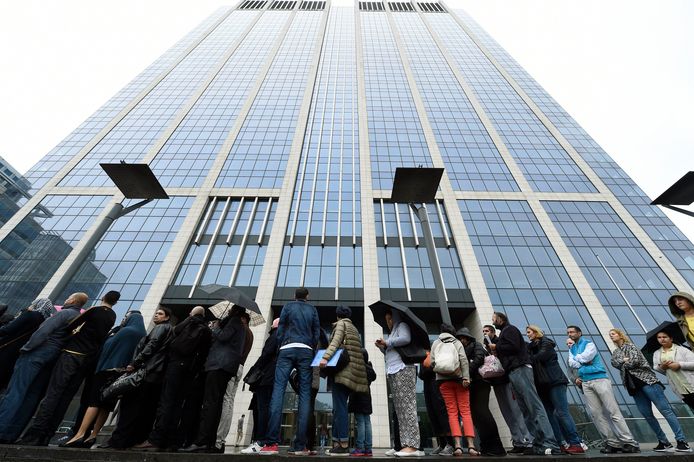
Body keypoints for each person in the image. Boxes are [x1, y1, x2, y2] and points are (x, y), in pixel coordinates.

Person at [20, 291, 118, 446]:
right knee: (66, 397)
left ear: (103, 298)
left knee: (53, 394)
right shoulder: (113, 316)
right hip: (87, 358)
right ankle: (48, 435)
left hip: (71, 354)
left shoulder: (94, 310)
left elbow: (71, 326)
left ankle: (34, 436)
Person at [0, 293, 87, 443]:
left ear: (72, 300)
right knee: (32, 397)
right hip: (53, 357)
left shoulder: (63, 313)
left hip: (38, 352)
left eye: (67, 298)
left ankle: (1, 429)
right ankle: (11, 434)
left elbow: (43, 331)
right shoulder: (79, 319)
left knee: (15, 391)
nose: (65, 300)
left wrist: (27, 348)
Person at [61, 310, 146, 448]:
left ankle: (80, 434)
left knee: (93, 402)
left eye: (126, 316)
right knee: (106, 406)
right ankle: (93, 435)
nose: (124, 318)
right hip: (121, 374)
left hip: (106, 371)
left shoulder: (125, 331)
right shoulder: (142, 334)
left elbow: (107, 348)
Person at [134, 306, 211, 451]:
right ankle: (171, 441)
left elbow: (175, 332)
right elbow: (204, 353)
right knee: (178, 404)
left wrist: (189, 318)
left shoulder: (187, 323)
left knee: (166, 402)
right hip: (189, 370)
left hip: (175, 365)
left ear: (191, 314)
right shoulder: (206, 329)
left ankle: (155, 440)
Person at [257, 288, 319, 455]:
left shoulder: (288, 306)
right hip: (305, 350)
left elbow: (281, 327)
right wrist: (310, 348)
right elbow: (316, 332)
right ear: (308, 296)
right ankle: (300, 445)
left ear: (294, 296)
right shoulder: (312, 309)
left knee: (278, 392)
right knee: (305, 395)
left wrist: (281, 344)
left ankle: (271, 443)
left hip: (286, 349)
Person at [489, 312, 560, 456]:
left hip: (521, 369)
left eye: (494, 319)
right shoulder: (505, 332)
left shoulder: (510, 329)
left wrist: (497, 347)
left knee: (534, 406)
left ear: (500, 319)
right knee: (525, 410)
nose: (492, 321)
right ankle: (538, 443)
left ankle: (550, 443)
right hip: (513, 371)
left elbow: (514, 346)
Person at [609, 328, 690, 452]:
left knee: (665, 410)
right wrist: (624, 361)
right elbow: (614, 363)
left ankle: (681, 441)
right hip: (633, 386)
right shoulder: (616, 352)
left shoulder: (630, 346)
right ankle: (664, 442)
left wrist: (623, 363)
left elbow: (634, 362)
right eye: (610, 335)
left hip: (648, 381)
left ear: (620, 335)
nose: (611, 336)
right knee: (646, 414)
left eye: (613, 334)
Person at [182, 305, 247, 452]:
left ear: (235, 311)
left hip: (219, 365)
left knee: (210, 403)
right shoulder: (239, 324)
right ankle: (209, 441)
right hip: (224, 366)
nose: (228, 311)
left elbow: (223, 337)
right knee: (215, 403)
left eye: (230, 310)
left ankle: (202, 441)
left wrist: (216, 327)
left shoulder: (234, 322)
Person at [106, 307, 173, 449]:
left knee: (130, 407)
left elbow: (152, 345)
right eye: (156, 313)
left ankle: (118, 441)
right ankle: (133, 439)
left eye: (160, 314)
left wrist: (135, 362)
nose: (156, 315)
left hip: (147, 372)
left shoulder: (161, 328)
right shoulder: (169, 330)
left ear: (167, 318)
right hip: (155, 374)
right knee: (145, 410)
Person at [566, 325, 639, 453]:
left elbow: (586, 358)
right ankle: (612, 443)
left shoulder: (589, 344)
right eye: (568, 332)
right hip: (586, 382)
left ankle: (629, 441)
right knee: (596, 414)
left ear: (579, 333)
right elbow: (572, 363)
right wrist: (582, 360)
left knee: (613, 411)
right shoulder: (572, 349)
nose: (570, 334)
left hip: (600, 379)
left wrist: (581, 360)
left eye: (572, 332)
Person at [525, 325, 584, 454]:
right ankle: (560, 443)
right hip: (542, 384)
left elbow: (539, 357)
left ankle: (575, 443)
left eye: (529, 332)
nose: (528, 335)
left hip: (555, 381)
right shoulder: (530, 347)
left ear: (536, 332)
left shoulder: (546, 343)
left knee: (562, 413)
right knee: (549, 415)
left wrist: (527, 357)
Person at [320, 305, 368, 456]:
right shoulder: (354, 328)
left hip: (342, 373)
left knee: (339, 409)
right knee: (338, 408)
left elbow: (335, 342)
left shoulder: (341, 324)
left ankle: (343, 444)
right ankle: (337, 442)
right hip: (353, 373)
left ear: (337, 315)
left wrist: (325, 357)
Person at [375, 310, 423, 457]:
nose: (388, 322)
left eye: (390, 318)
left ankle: (414, 446)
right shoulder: (392, 333)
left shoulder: (402, 325)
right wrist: (383, 347)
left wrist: (387, 342)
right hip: (394, 370)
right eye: (386, 319)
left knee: (407, 406)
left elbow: (406, 339)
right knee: (400, 410)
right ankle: (405, 444)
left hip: (404, 369)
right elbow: (393, 352)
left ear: (395, 317)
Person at [482, 324, 532, 453]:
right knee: (507, 413)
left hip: (507, 380)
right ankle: (518, 441)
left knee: (516, 411)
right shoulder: (485, 347)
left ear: (493, 332)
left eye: (487, 331)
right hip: (496, 382)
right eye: (483, 331)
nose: (484, 333)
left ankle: (528, 440)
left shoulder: (500, 343)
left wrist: (496, 350)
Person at [456, 327, 506, 457]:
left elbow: (479, 358)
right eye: (460, 337)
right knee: (477, 416)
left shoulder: (476, 345)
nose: (462, 339)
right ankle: (486, 446)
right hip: (471, 384)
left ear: (468, 338)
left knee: (482, 412)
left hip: (480, 383)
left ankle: (496, 447)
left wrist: (466, 372)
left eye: (464, 337)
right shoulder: (459, 350)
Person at [430, 324, 477, 456]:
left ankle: (457, 446)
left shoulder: (435, 343)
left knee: (452, 413)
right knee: (466, 412)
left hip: (443, 382)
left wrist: (441, 372)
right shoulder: (456, 342)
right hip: (459, 380)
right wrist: (466, 377)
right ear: (453, 332)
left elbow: (433, 363)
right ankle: (471, 446)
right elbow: (463, 360)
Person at [215, 311, 254, 452]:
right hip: (239, 367)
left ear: (243, 319)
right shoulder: (250, 333)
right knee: (229, 401)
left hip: (232, 365)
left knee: (226, 400)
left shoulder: (242, 331)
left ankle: (218, 439)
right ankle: (222, 439)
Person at [242, 318, 280, 454]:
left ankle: (260, 441)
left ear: (274, 325)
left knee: (262, 408)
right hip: (272, 377)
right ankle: (263, 440)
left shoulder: (275, 336)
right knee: (266, 408)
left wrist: (254, 371)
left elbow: (265, 355)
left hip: (266, 377)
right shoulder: (283, 337)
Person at [0, 299, 55, 391]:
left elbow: (9, 329)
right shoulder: (44, 321)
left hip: (8, 346)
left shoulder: (30, 314)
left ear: (37, 304)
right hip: (21, 350)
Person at [419, 351, 452, 455]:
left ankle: (451, 444)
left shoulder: (435, 352)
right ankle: (442, 444)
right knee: (432, 414)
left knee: (441, 412)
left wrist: (428, 364)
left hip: (436, 383)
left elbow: (433, 367)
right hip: (427, 384)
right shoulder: (423, 356)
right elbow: (422, 373)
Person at [654, 329, 694, 412]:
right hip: (680, 389)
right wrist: (663, 366)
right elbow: (656, 367)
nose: (662, 339)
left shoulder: (682, 350)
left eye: (665, 337)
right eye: (659, 337)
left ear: (671, 338)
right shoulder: (657, 353)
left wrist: (679, 365)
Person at [349, 348, 376, 457]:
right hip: (367, 397)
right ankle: (368, 449)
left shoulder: (357, 368)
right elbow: (373, 377)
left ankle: (359, 448)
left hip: (358, 397)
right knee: (367, 422)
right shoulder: (369, 368)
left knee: (360, 423)